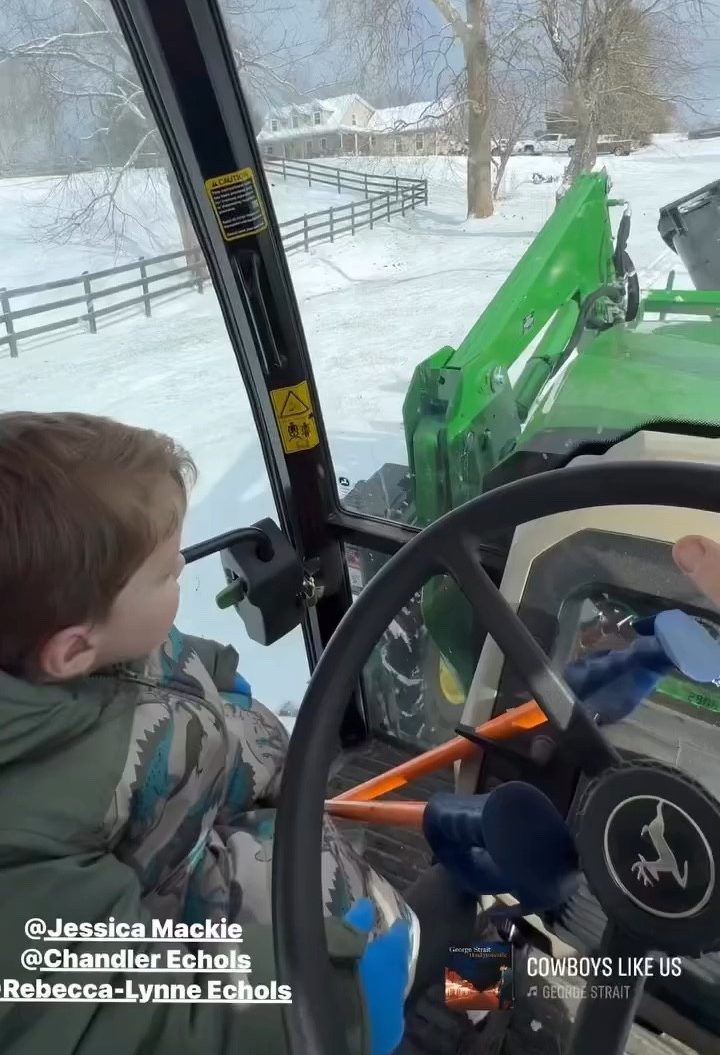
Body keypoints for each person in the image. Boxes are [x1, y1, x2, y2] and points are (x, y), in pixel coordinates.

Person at [0, 411, 477, 1055]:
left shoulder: (73, 640)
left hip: (239, 820)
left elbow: (169, 658)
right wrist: (335, 1003)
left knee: (416, 923)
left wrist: (223, 685)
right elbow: (107, 1021)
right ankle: (462, 991)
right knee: (413, 952)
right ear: (73, 650)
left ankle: (462, 971)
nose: (182, 581)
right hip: (247, 955)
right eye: (167, 574)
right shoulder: (26, 825)